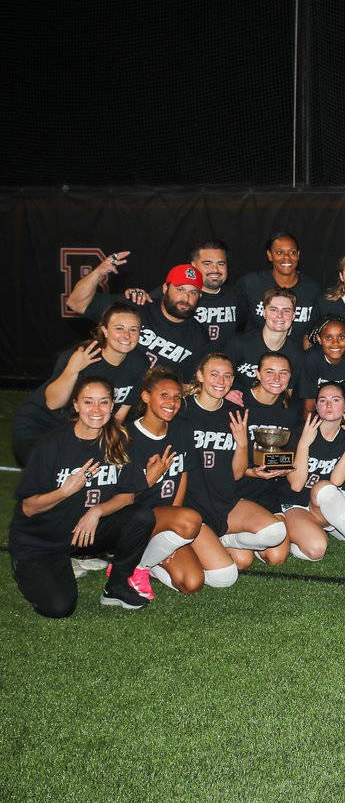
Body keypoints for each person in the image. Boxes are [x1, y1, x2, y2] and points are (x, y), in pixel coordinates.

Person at [9, 376, 158, 616]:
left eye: (103, 402)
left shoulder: (118, 441)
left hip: (83, 531)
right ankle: (32, 566)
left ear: (112, 405)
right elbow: (29, 508)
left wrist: (96, 511)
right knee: (59, 608)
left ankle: (117, 586)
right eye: (88, 402)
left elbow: (128, 496)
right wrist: (65, 491)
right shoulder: (51, 444)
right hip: (43, 539)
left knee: (141, 517)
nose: (96, 410)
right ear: (76, 405)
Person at [177, 353, 288, 569]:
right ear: (199, 375)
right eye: (214, 374)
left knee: (275, 533)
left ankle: (226, 539)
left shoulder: (235, 414)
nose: (221, 381)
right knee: (234, 568)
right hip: (191, 505)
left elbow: (237, 474)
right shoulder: (182, 410)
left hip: (224, 501)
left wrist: (242, 443)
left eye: (227, 376)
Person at [12, 301, 149, 466]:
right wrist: (72, 369)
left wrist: (109, 445)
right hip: (41, 424)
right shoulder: (83, 356)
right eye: (119, 328)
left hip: (80, 427)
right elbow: (53, 404)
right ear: (104, 330)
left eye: (133, 330)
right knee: (50, 478)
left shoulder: (139, 363)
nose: (127, 336)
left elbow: (119, 415)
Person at [118, 368, 206, 596]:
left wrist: (172, 522)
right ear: (146, 397)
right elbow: (120, 497)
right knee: (190, 520)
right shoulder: (126, 437)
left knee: (192, 583)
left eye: (177, 397)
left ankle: (147, 560)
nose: (172, 402)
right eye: (164, 395)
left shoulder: (182, 429)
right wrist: (147, 479)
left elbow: (183, 474)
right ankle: (133, 567)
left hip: (165, 518)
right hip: (133, 519)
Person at [67, 259, 208, 376]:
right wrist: (98, 272)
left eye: (193, 293)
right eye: (180, 289)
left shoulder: (199, 337)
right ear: (165, 288)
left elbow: (185, 385)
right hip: (104, 391)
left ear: (200, 296)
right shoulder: (137, 305)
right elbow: (76, 303)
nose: (186, 298)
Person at [285, 383, 345, 559]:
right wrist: (303, 444)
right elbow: (296, 485)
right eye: (323, 400)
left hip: (325, 505)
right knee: (316, 550)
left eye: (335, 400)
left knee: (326, 488)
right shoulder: (298, 432)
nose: (328, 405)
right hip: (297, 505)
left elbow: (337, 481)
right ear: (316, 406)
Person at [236, 352, 304, 563]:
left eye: (283, 373)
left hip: (269, 492)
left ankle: (257, 533)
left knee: (276, 557)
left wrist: (284, 466)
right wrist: (250, 472)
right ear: (257, 373)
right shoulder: (238, 402)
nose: (277, 378)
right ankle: (227, 535)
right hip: (236, 491)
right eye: (270, 372)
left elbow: (287, 456)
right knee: (241, 561)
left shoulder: (291, 409)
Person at [233, 231, 321, 334]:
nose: (287, 257)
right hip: (257, 349)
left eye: (292, 252)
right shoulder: (250, 284)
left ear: (298, 255)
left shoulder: (313, 289)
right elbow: (236, 325)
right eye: (279, 252)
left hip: (297, 350)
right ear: (270, 255)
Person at [224, 287, 305, 391]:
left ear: (293, 315)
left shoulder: (296, 354)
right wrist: (228, 392)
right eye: (273, 309)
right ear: (264, 312)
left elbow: (288, 393)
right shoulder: (239, 344)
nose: (279, 316)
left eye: (286, 311)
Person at [296, 316, 345, 413]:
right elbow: (309, 407)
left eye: (341, 337)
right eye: (328, 338)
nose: (335, 343)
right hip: (319, 413)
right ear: (319, 339)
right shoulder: (310, 359)